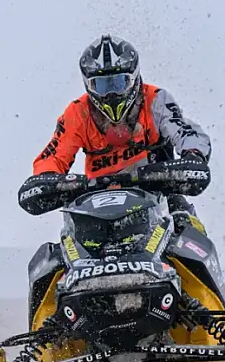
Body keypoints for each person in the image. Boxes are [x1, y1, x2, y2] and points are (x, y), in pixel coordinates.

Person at [18, 35, 211, 233]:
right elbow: (54, 156)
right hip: (94, 204)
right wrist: (47, 180)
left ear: (133, 78)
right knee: (57, 253)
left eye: (118, 83)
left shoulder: (156, 100)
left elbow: (185, 131)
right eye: (101, 85)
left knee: (190, 230)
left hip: (160, 195)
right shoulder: (77, 113)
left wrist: (193, 154)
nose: (111, 94)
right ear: (88, 85)